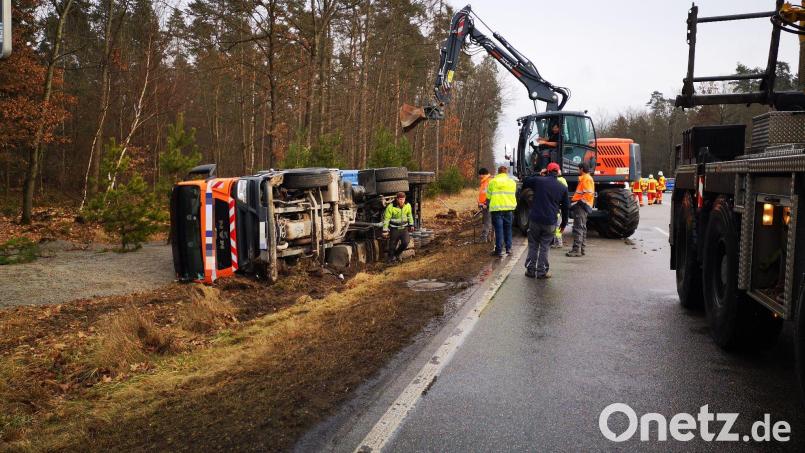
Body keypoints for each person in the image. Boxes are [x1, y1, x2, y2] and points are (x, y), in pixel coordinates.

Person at [522, 162, 569, 278]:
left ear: (547, 171)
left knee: (533, 245)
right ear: (558, 172)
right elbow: (565, 207)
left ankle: (530, 270)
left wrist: (538, 173)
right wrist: (563, 224)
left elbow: (526, 181)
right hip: (550, 221)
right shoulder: (562, 187)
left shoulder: (539, 181)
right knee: (545, 247)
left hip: (535, 219)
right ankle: (542, 272)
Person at [486, 165, 517, 257]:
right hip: (508, 209)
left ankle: (498, 251)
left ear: (498, 172)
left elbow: (488, 196)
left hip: (496, 209)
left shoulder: (492, 182)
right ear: (506, 172)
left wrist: (488, 204)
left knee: (499, 230)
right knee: (508, 229)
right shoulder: (512, 182)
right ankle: (509, 249)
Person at [566, 162, 594, 257]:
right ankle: (581, 249)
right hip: (583, 206)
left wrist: (578, 203)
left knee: (578, 228)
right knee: (582, 228)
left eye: (578, 169)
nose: (578, 170)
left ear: (582, 169)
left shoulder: (586, 179)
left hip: (581, 206)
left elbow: (588, 194)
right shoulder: (586, 178)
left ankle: (576, 250)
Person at [382, 191, 414, 263]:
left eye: (403, 199)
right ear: (397, 199)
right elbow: (386, 219)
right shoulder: (391, 207)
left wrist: (411, 224)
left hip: (404, 228)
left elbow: (409, 215)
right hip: (394, 229)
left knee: (406, 242)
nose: (402, 201)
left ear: (405, 199)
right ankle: (390, 259)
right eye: (400, 199)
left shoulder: (408, 205)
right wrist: (385, 230)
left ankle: (397, 254)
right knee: (392, 245)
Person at [553, 168, 568, 248]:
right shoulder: (563, 180)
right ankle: (557, 242)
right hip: (560, 205)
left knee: (556, 225)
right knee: (557, 225)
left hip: (556, 206)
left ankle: (558, 243)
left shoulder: (556, 180)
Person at [477, 168, 492, 242]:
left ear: (482, 174)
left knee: (487, 221)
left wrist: (486, 203)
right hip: (484, 205)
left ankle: (484, 237)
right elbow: (482, 194)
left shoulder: (488, 181)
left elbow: (489, 194)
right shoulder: (484, 182)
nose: (479, 176)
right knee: (486, 221)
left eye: (479, 175)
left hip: (486, 205)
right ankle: (488, 237)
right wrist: (480, 203)